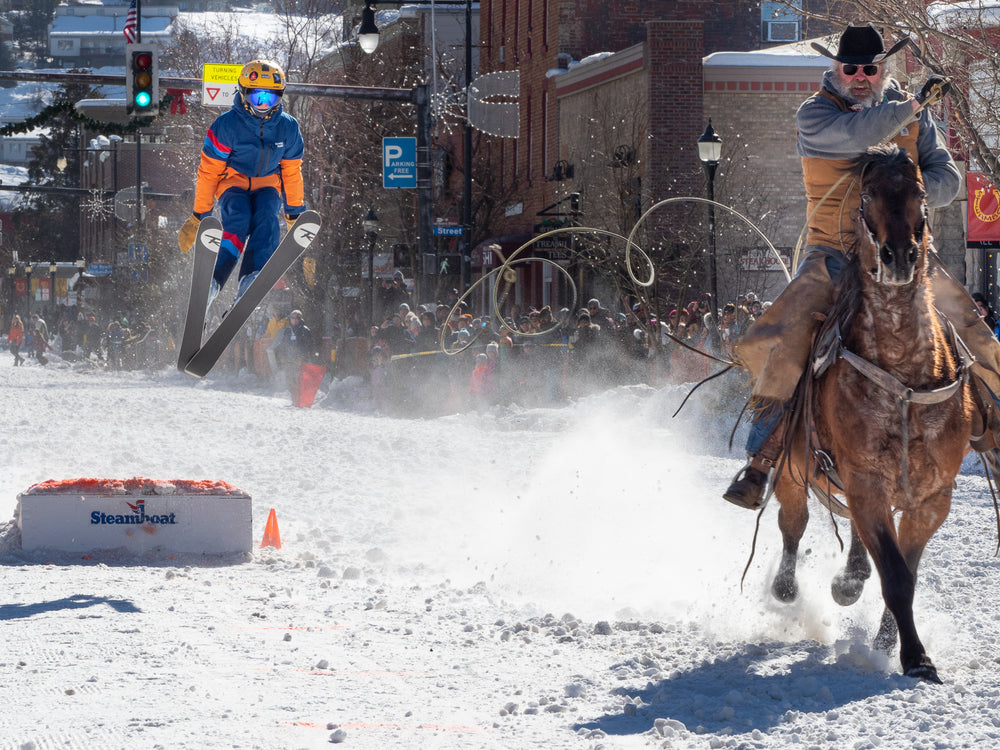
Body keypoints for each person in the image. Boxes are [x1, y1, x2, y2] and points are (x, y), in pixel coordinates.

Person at [723, 23, 980, 509]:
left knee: (972, 328)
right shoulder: (817, 115)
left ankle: (994, 435)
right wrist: (909, 108)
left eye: (871, 68)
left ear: (883, 69)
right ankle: (761, 462)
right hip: (834, 257)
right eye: (852, 68)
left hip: (906, 255)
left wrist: (916, 188)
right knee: (783, 340)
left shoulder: (914, 114)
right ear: (836, 70)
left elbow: (948, 174)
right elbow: (858, 134)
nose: (861, 77)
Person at [177, 59, 305, 305]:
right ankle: (213, 282)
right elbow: (208, 173)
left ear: (280, 98)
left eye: (271, 99)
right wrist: (199, 216)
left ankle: (251, 278)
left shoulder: (287, 127)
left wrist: (294, 214)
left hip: (268, 183)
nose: (264, 106)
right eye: (258, 98)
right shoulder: (227, 126)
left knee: (268, 219)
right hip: (232, 182)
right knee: (238, 218)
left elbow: (291, 171)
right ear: (244, 94)